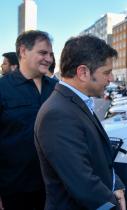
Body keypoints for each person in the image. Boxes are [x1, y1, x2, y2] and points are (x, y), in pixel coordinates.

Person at [34, 35, 126, 210]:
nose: (111, 78)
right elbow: (83, 183)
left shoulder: (76, 102)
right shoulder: (58, 114)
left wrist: (116, 184)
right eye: (106, 72)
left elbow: (98, 159)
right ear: (83, 72)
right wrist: (113, 205)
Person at [0, 30, 56, 210]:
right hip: (15, 190)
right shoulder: (3, 88)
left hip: (55, 187)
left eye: (50, 54)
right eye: (43, 53)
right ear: (23, 51)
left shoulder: (57, 89)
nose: (48, 59)